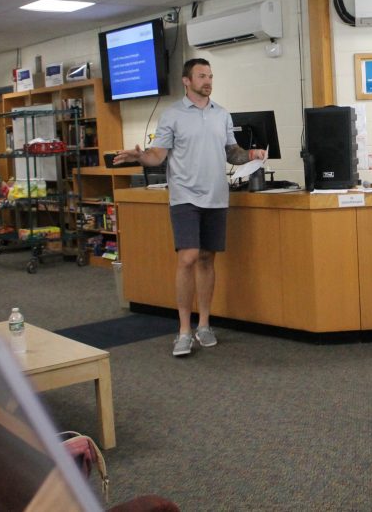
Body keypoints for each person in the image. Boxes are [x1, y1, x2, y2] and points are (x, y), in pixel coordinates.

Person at [113, 58, 266, 357]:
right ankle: (183, 330)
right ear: (186, 81)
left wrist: (251, 153)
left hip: (216, 196)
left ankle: (204, 325)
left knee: (207, 258)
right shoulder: (172, 115)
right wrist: (139, 157)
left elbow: (231, 152)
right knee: (188, 257)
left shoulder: (222, 114)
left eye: (210, 76)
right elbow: (158, 156)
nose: (207, 80)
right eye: (201, 76)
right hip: (184, 195)